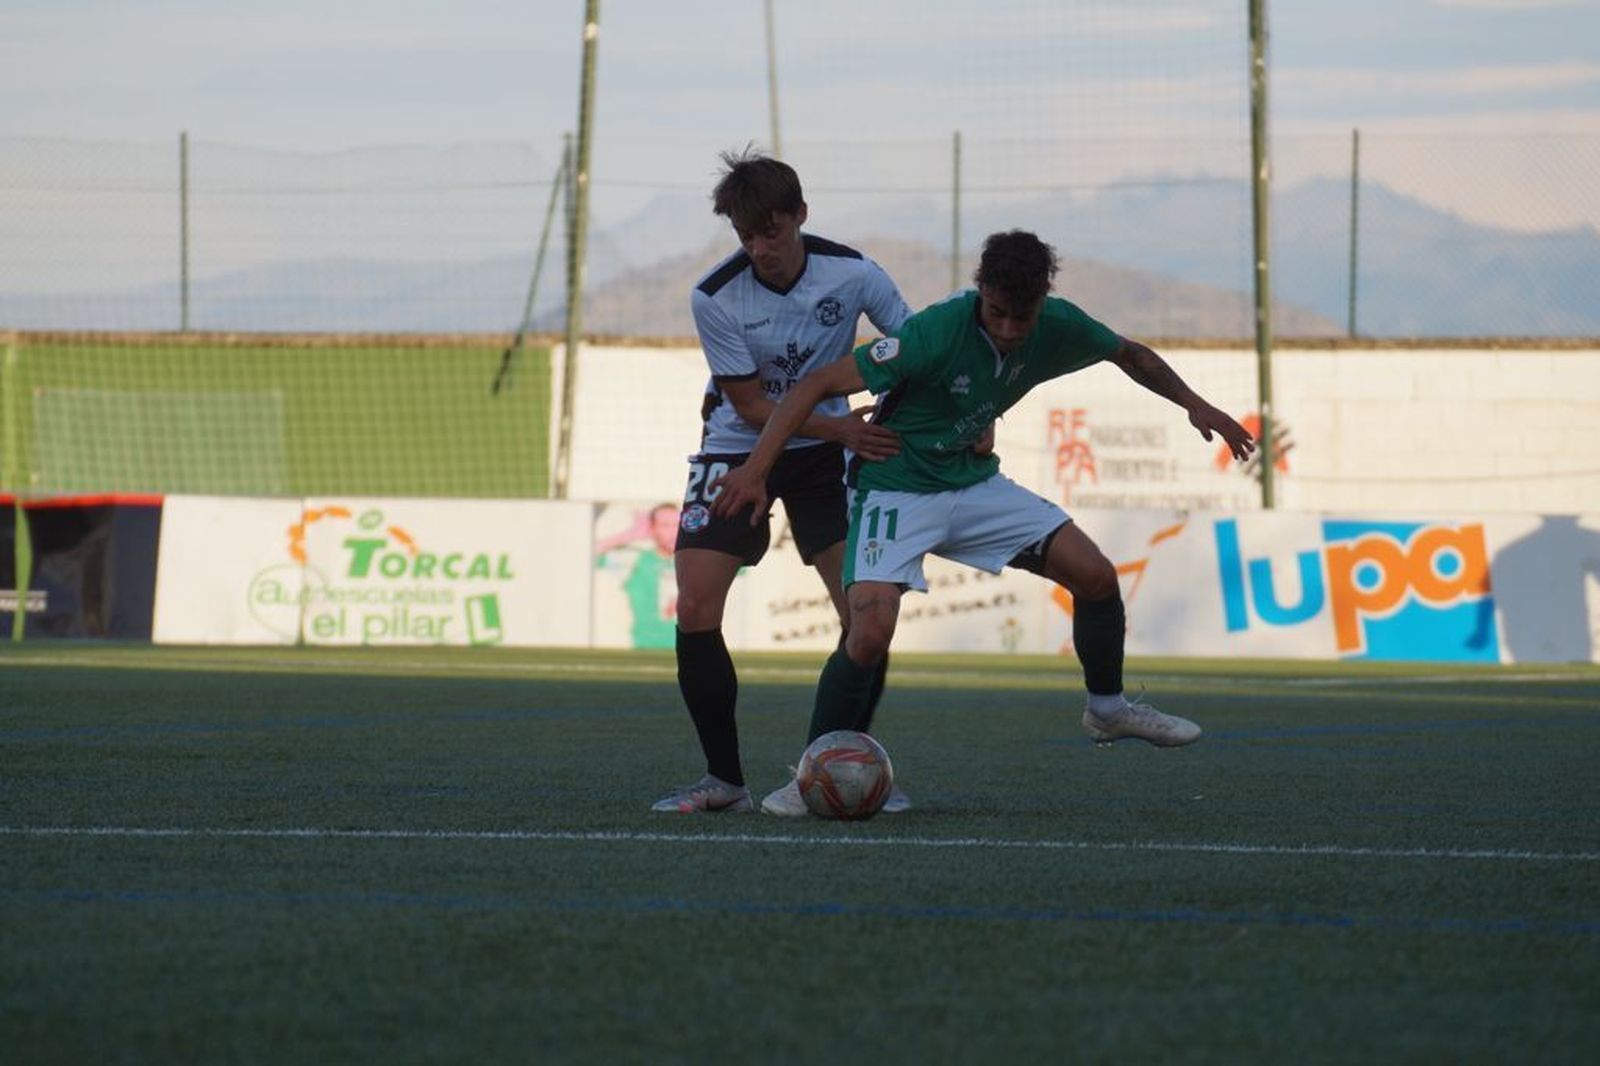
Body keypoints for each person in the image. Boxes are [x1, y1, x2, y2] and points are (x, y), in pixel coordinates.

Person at [711, 230, 1256, 792]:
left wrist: (1197, 405)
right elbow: (818, 382)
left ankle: (1108, 708)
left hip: (971, 483)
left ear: (1042, 301)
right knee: (870, 631)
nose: (1010, 330)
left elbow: (1131, 355)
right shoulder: (935, 332)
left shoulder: (1059, 324)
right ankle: (811, 777)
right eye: (997, 314)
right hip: (895, 484)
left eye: (1024, 317)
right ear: (981, 294)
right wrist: (754, 471)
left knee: (1094, 575)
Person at [651, 148, 914, 816]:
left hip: (828, 458)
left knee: (867, 616)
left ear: (800, 214)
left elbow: (918, 350)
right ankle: (723, 781)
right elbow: (751, 408)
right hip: (742, 450)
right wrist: (842, 428)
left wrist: (899, 420)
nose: (761, 248)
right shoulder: (715, 296)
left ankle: (842, 763)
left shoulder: (854, 273)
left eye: (772, 230)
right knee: (695, 606)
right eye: (747, 236)